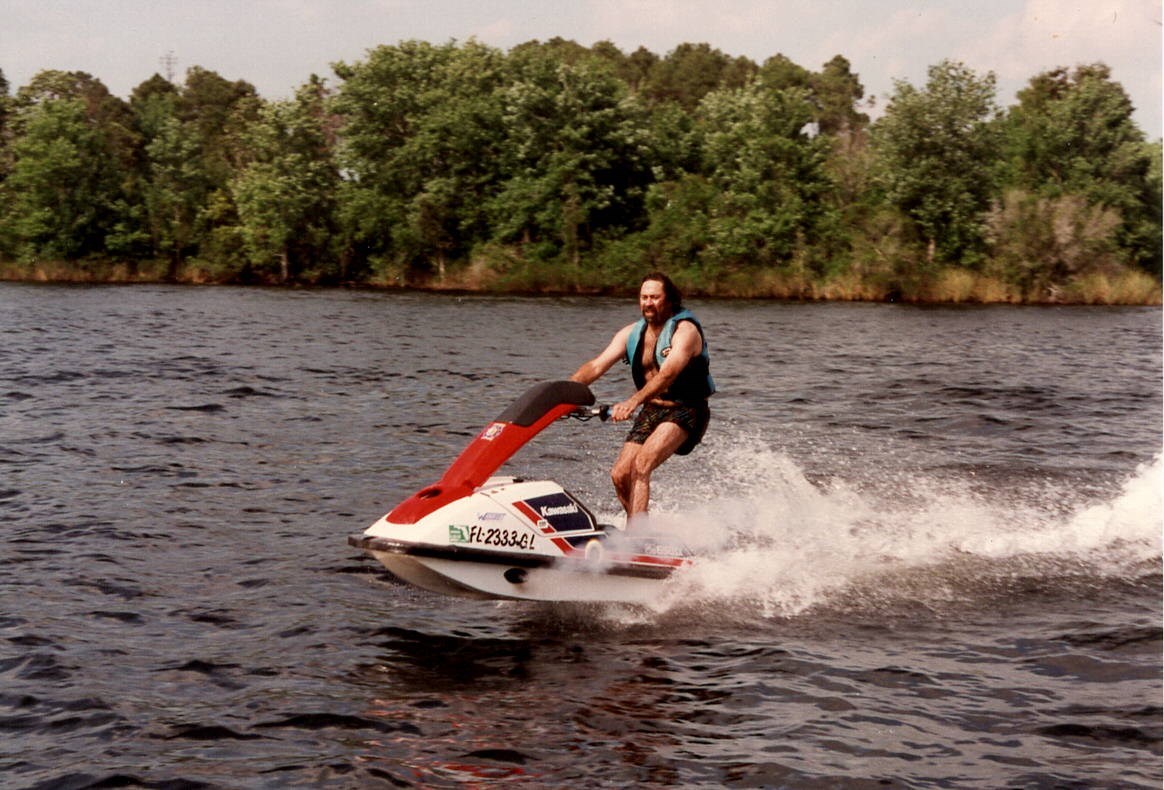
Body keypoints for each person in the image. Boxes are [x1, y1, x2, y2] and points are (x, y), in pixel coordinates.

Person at [570, 272, 714, 525]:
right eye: (644, 297)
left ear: (669, 300)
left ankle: (637, 540)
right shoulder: (631, 333)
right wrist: (563, 391)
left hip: (686, 409)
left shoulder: (686, 331)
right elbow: (596, 366)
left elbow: (668, 374)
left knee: (641, 465)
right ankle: (638, 531)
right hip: (652, 410)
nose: (648, 303)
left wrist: (632, 401)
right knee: (620, 474)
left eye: (654, 297)